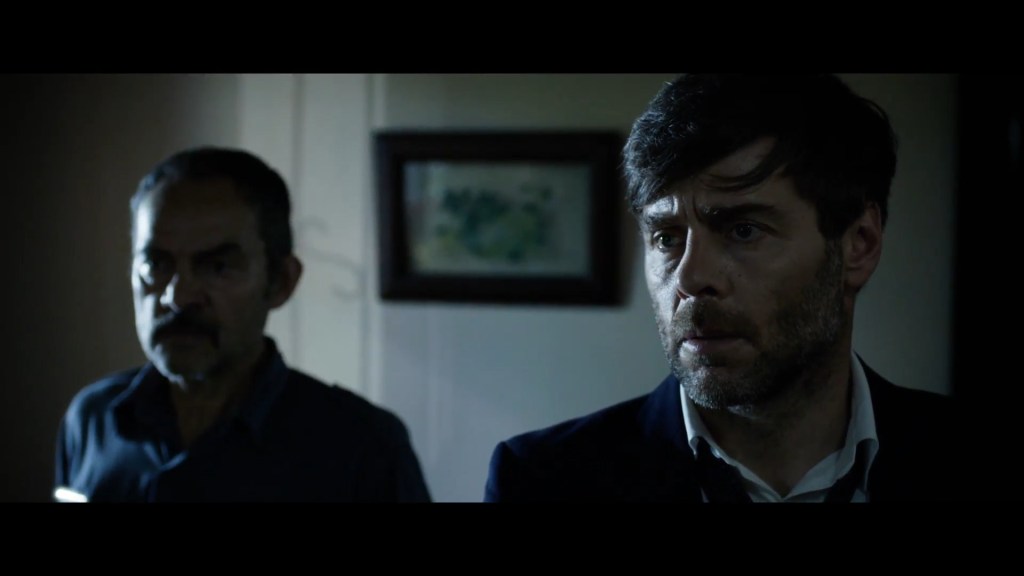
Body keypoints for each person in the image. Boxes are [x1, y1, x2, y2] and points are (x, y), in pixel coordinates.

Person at [484, 74, 973, 502]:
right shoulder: (543, 481)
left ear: (858, 245)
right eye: (667, 238)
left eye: (743, 230)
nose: (690, 279)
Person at [55, 146, 431, 502]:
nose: (178, 296)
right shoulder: (92, 420)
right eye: (156, 264)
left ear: (280, 282)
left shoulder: (363, 448)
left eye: (218, 266)